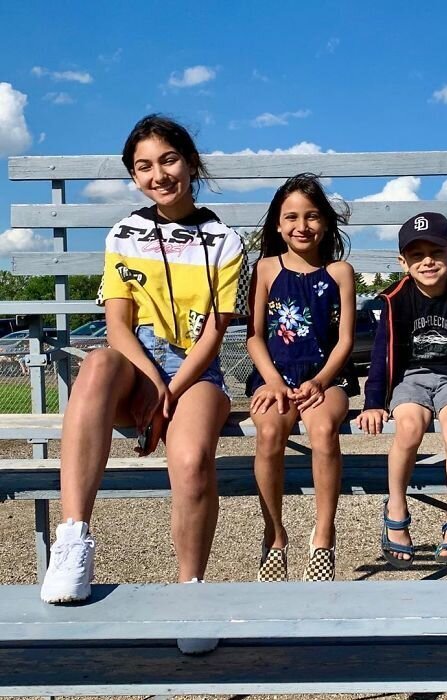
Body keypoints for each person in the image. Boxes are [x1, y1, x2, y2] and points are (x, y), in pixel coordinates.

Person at [39, 114, 249, 655]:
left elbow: (217, 332)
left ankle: (190, 593)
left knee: (191, 461)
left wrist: (173, 389)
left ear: (191, 162)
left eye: (169, 159)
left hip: (197, 367)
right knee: (97, 364)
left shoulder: (225, 240)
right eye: (144, 166)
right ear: (134, 177)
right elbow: (116, 326)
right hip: (139, 361)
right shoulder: (124, 233)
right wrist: (154, 381)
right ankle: (74, 540)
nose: (158, 174)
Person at [357, 212, 447, 569]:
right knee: (409, 426)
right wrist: (373, 402)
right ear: (403, 262)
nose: (428, 261)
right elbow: (381, 354)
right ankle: (396, 505)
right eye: (417, 255)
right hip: (412, 378)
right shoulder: (396, 298)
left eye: (436, 251)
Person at [246, 173, 357, 583]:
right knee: (270, 433)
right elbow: (254, 335)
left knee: (324, 430)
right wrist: (273, 381)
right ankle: (274, 535)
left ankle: (324, 536)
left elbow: (345, 340)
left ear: (326, 222)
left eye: (312, 216)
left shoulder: (340, 271)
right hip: (275, 375)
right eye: (291, 217)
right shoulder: (265, 269)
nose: (302, 226)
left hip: (326, 378)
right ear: (277, 224)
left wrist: (322, 381)